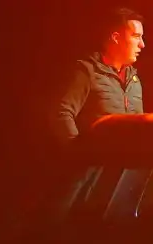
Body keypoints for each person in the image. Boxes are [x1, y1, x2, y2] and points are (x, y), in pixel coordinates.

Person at [55, 7, 145, 142]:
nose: (142, 44)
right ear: (116, 38)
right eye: (136, 36)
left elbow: (139, 126)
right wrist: (78, 152)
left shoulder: (134, 79)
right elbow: (62, 113)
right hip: (99, 162)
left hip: (131, 162)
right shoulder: (87, 72)